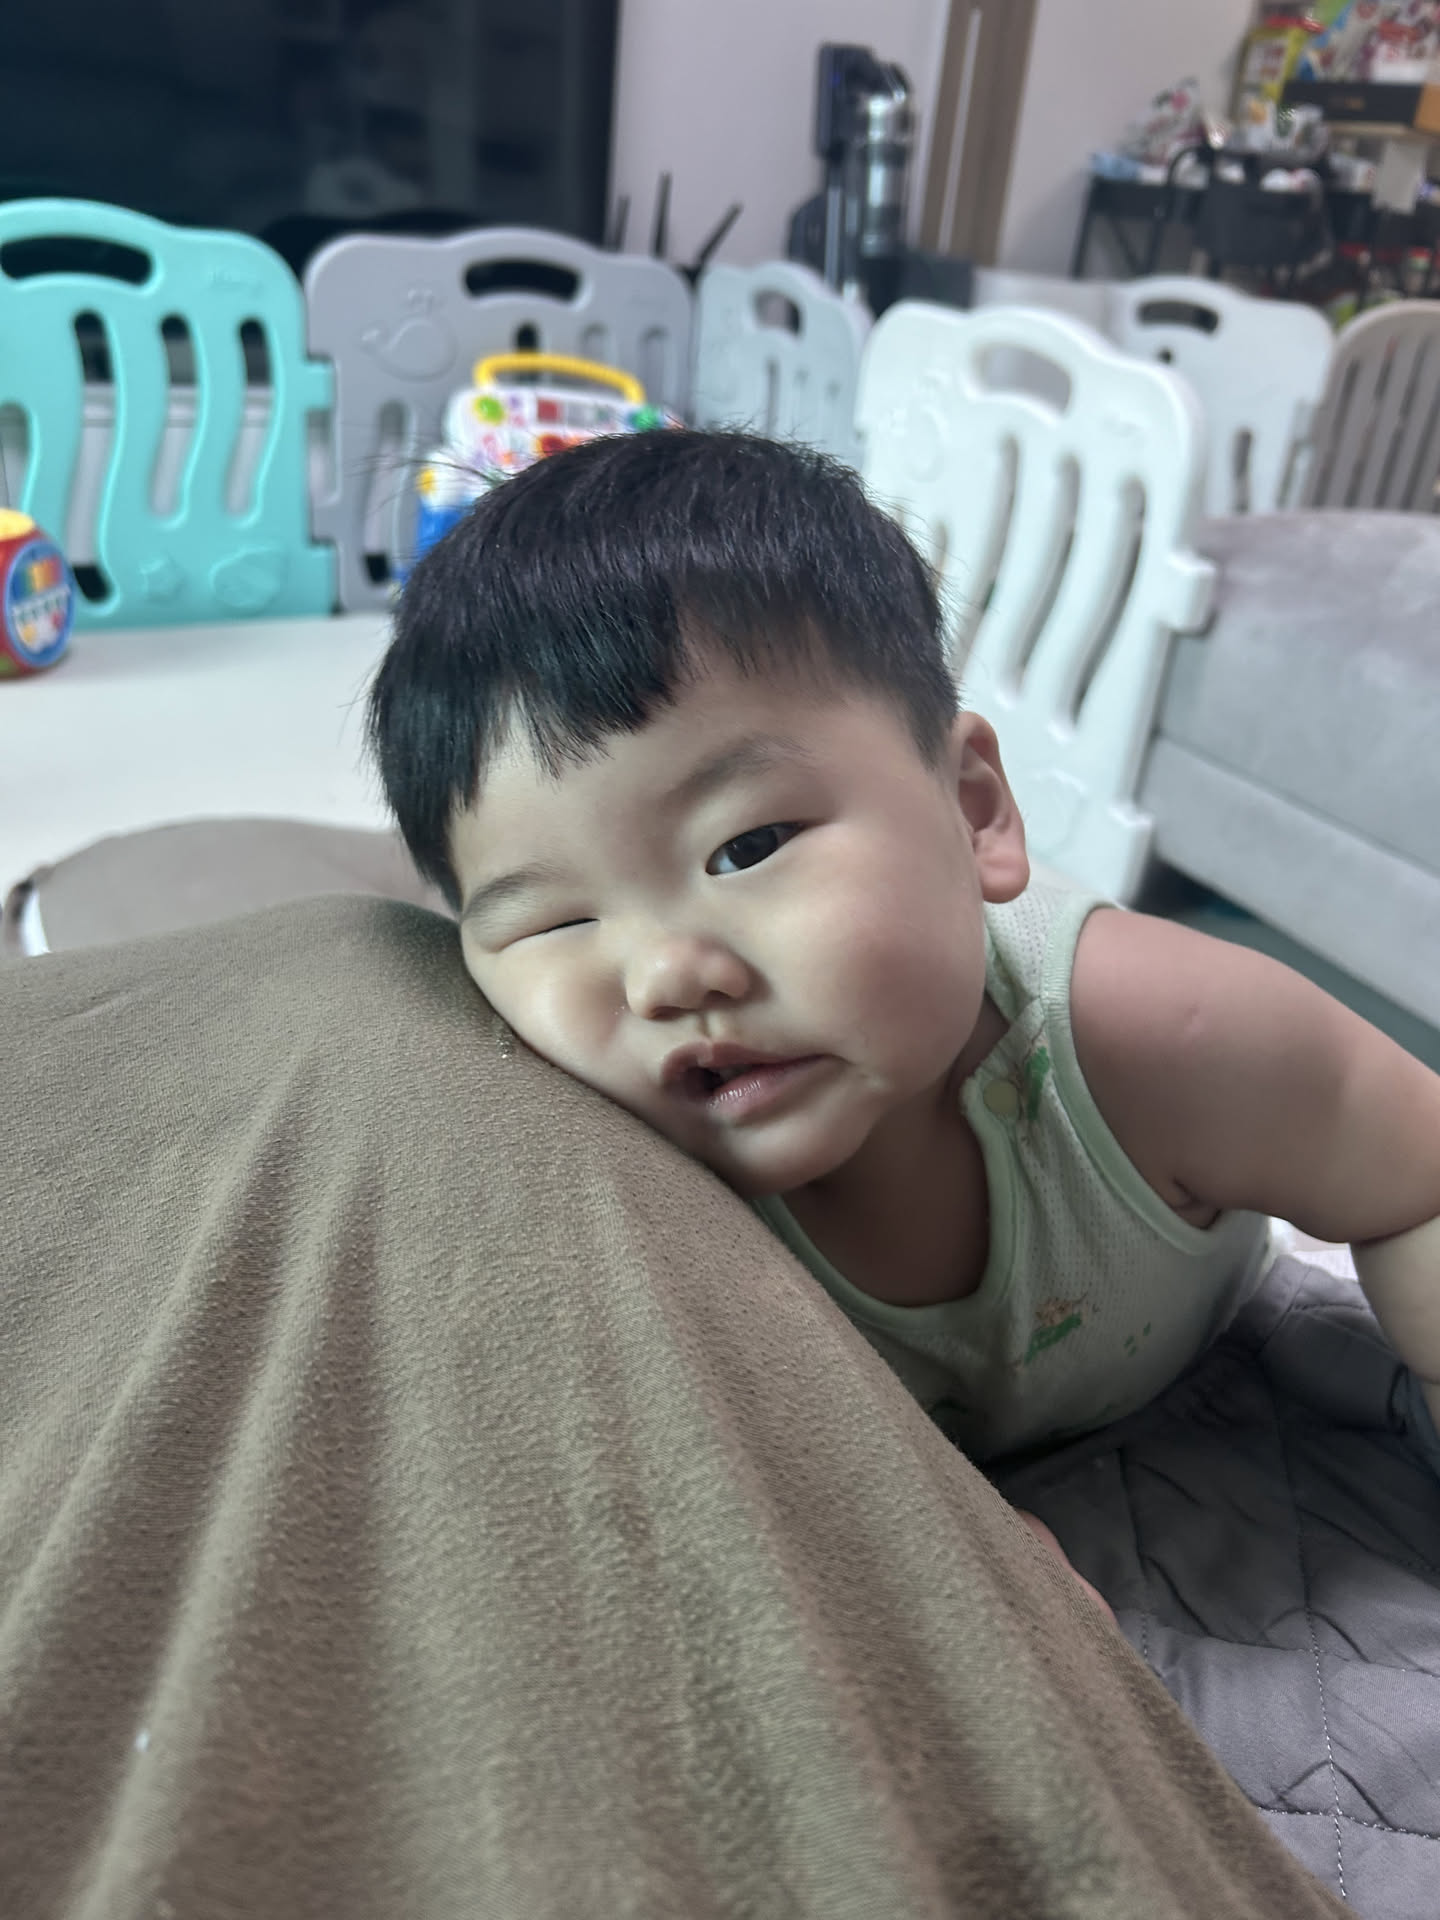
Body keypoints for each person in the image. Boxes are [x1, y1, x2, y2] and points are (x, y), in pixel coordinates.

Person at [367, 428, 1440, 1593]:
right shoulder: (603, 1181)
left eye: (747, 846)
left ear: (973, 809)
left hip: (1210, 1353)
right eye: (556, 922)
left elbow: (1417, 1179)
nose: (664, 977)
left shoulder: (1156, 1032)